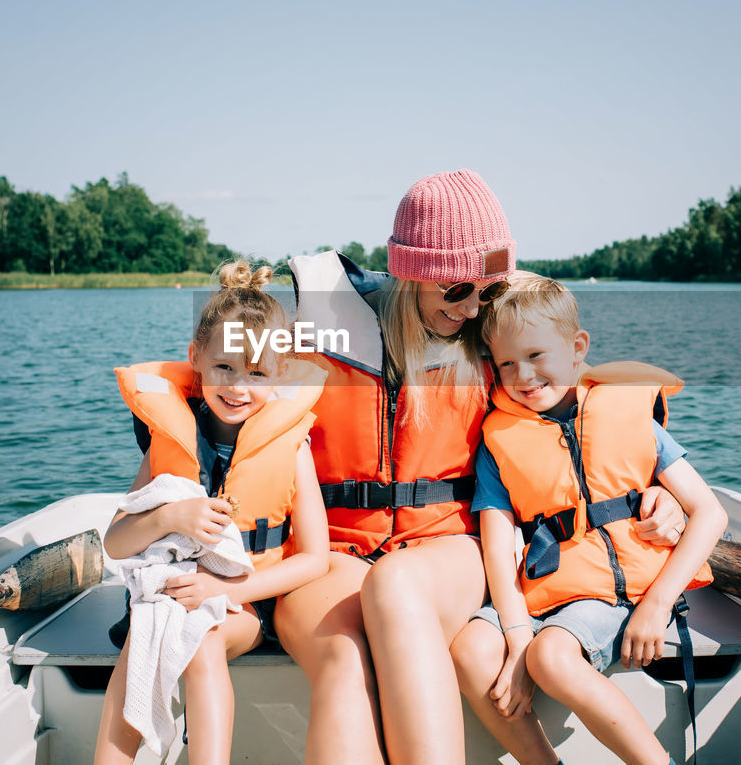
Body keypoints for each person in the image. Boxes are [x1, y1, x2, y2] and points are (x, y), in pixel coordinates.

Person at [279, 170, 689, 764]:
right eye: (455, 291)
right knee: (343, 655)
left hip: (449, 548)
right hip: (331, 551)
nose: (473, 308)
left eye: (485, 291)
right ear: (409, 273)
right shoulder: (306, 320)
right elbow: (217, 400)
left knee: (396, 586)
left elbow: (576, 404)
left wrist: (662, 491)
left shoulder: (492, 325)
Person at [450, 273, 729, 765]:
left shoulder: (625, 413)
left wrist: (657, 604)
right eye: (506, 363)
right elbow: (497, 547)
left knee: (551, 656)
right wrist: (515, 638)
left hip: (617, 593)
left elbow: (710, 512)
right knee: (471, 649)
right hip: (542, 591)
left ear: (577, 347)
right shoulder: (500, 438)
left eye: (536, 356)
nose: (523, 376)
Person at [93, 261, 330, 765]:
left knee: (199, 640)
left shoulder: (292, 444)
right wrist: (170, 517)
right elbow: (115, 544)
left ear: (280, 373)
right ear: (196, 358)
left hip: (247, 602)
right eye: (224, 367)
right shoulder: (170, 440)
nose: (238, 386)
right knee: (144, 638)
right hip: (169, 592)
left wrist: (223, 590)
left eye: (257, 372)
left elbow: (315, 559)